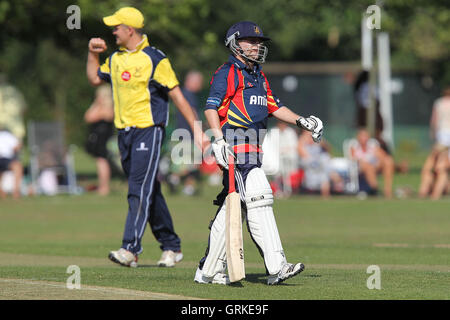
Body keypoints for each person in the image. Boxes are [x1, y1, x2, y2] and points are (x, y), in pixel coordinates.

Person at [194, 21, 323, 285]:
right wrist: (218, 140)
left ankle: (207, 271)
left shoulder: (258, 75)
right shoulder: (228, 72)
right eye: (251, 41)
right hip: (234, 146)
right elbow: (210, 108)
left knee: (236, 208)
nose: (257, 46)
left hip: (253, 147)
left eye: (259, 42)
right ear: (234, 43)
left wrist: (302, 122)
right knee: (259, 194)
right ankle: (277, 267)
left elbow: (274, 106)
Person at [86, 7, 209, 268]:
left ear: (130, 29)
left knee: (138, 188)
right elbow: (95, 79)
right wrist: (92, 54)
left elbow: (176, 95)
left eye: (116, 27)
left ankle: (130, 248)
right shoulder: (116, 58)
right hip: (124, 133)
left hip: (149, 130)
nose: (113, 31)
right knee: (149, 189)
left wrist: (197, 130)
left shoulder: (155, 58)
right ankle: (172, 246)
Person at [169, 71, 204, 196]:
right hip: (189, 133)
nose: (201, 85)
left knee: (185, 162)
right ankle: (175, 179)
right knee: (191, 163)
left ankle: (179, 182)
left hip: (180, 132)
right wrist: (199, 130)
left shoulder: (182, 93)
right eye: (199, 82)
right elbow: (192, 112)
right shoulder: (189, 95)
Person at [418, 86, 450, 200]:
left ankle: (435, 192)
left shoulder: (439, 103)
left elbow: (434, 120)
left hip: (442, 133)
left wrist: (433, 133)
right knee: (442, 165)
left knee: (439, 163)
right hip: (445, 133)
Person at [84, 84, 115, 196]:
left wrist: (97, 105)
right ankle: (102, 186)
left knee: (102, 161)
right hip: (98, 138)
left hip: (104, 138)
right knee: (100, 161)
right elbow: (87, 116)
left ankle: (104, 187)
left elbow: (90, 117)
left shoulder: (108, 108)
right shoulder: (100, 107)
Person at [349, 127, 394, 198]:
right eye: (362, 136)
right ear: (358, 137)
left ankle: (387, 190)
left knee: (388, 161)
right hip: (361, 167)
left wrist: (379, 162)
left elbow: (382, 155)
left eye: (365, 136)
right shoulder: (354, 146)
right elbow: (353, 158)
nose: (364, 138)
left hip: (375, 165)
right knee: (368, 166)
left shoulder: (372, 145)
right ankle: (375, 189)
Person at [297, 129, 343, 198]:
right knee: (323, 165)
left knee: (325, 161)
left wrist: (319, 140)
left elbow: (328, 149)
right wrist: (305, 139)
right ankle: (334, 177)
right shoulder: (301, 142)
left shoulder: (316, 141)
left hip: (321, 168)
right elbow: (305, 157)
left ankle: (327, 194)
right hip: (311, 168)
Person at [0, 128, 23, 199]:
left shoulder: (7, 135)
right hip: (6, 158)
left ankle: (10, 192)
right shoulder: (9, 135)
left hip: (5, 158)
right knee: (18, 168)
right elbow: (16, 147)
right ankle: (15, 192)